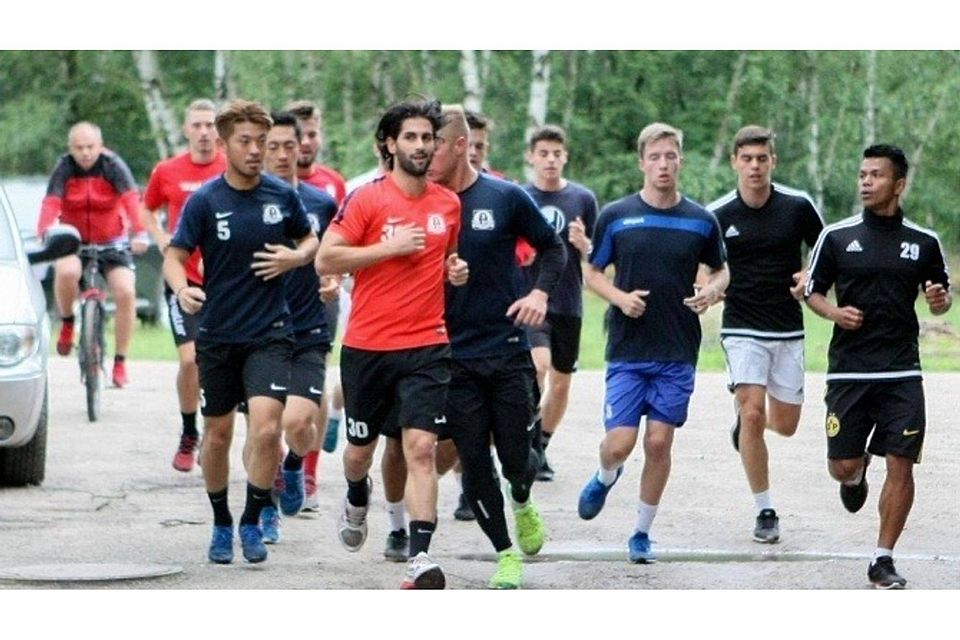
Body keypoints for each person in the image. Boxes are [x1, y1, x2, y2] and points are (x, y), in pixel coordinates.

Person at [315, 99, 468, 589]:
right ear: (389, 143)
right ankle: (357, 494)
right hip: (368, 347)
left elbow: (447, 258)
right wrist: (388, 248)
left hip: (427, 346)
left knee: (420, 447)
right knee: (360, 450)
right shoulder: (366, 200)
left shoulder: (448, 204)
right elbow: (325, 259)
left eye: (428, 138)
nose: (422, 146)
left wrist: (455, 270)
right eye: (411, 138)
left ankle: (419, 558)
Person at [163, 99, 318, 565]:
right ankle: (221, 521)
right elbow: (175, 255)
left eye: (261, 143)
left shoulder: (280, 196)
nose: (255, 151)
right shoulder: (206, 201)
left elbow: (310, 238)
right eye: (245, 142)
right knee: (217, 434)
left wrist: (296, 256)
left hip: (271, 331)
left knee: (268, 428)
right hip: (218, 333)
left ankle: (253, 518)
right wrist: (182, 290)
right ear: (226, 145)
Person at [427, 105, 565, 588]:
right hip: (450, 354)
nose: (426, 152)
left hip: (506, 348)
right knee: (472, 458)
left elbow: (553, 247)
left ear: (460, 146)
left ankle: (522, 499)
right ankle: (505, 552)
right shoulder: (421, 203)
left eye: (435, 143)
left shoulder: (505, 197)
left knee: (515, 457)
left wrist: (539, 292)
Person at [577, 122, 728, 563]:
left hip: (677, 347)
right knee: (619, 443)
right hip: (628, 348)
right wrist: (620, 299)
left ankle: (641, 533)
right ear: (642, 162)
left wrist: (712, 291)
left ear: (681, 160)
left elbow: (721, 270)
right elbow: (591, 273)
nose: (664, 165)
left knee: (659, 443)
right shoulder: (617, 215)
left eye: (671, 156)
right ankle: (606, 476)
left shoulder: (701, 220)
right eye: (655, 157)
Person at [804, 144, 951, 589]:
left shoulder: (924, 242)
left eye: (876, 175)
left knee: (903, 463)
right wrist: (835, 314)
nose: (866, 182)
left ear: (899, 184)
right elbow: (812, 291)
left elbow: (940, 298)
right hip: (849, 369)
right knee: (842, 467)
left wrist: (940, 302)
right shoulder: (836, 237)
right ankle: (857, 471)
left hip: (901, 369)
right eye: (863, 174)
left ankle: (882, 558)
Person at [705, 125, 824, 543]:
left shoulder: (798, 206)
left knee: (786, 425)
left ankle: (746, 430)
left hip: (787, 327)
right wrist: (707, 289)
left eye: (762, 159)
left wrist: (809, 277)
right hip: (741, 326)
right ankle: (765, 510)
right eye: (747, 159)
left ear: (773, 161)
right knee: (752, 409)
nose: (755, 166)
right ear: (735, 162)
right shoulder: (718, 215)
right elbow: (704, 266)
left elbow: (825, 255)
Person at [255, 110, 338, 543]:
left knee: (298, 423)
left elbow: (340, 251)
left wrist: (334, 277)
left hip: (308, 326)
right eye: (275, 146)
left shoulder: (322, 202)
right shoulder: (244, 201)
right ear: (260, 149)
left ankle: (293, 468)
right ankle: (266, 507)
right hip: (256, 331)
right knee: (264, 429)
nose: (286, 154)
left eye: (292, 144)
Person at [141, 99, 227, 472]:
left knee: (224, 361)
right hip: (184, 279)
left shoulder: (232, 166)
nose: (205, 132)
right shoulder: (168, 170)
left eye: (211, 125)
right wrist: (161, 237)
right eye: (198, 126)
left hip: (227, 282)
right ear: (186, 130)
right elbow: (147, 208)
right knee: (191, 359)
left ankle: (225, 429)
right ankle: (189, 431)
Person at [38, 121, 149, 388]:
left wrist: (140, 233)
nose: (85, 153)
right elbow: (51, 202)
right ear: (71, 149)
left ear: (100, 146)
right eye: (79, 148)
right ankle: (67, 321)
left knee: (125, 292)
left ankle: (120, 361)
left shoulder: (113, 166)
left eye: (90, 147)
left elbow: (131, 199)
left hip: (112, 240)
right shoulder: (64, 167)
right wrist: (44, 230)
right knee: (67, 272)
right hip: (74, 239)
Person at [522, 124, 599, 482]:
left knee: (562, 382)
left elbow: (598, 258)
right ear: (531, 157)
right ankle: (524, 436)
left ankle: (541, 446)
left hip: (569, 301)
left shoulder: (582, 199)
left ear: (565, 156)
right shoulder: (520, 197)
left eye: (556, 153)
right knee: (539, 366)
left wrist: (585, 245)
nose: (550, 160)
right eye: (543, 153)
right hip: (531, 301)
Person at [287, 99, 348, 507]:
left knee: (316, 382)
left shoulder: (331, 188)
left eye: (313, 133)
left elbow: (344, 241)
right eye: (300, 135)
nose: (307, 142)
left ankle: (307, 474)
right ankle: (281, 466)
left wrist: (335, 278)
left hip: (317, 302)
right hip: (268, 306)